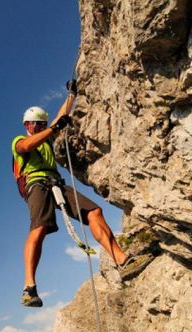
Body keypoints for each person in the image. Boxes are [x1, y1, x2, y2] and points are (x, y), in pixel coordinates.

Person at [12, 80, 129, 307]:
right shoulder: (20, 140)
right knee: (39, 228)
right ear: (27, 125)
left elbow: (59, 117)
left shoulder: (46, 136)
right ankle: (29, 286)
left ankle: (121, 260)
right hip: (37, 184)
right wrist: (53, 129)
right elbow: (26, 147)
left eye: (42, 124)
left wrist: (71, 95)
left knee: (94, 211)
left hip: (57, 182)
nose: (40, 127)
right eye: (36, 124)